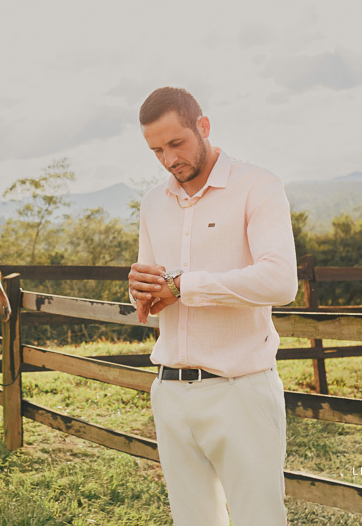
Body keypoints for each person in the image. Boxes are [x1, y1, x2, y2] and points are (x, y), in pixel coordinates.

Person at [127, 87, 298, 525]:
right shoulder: (152, 203)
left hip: (240, 390)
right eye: (156, 150)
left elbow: (280, 281)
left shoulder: (258, 186)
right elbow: (156, 291)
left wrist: (184, 286)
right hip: (169, 392)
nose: (168, 159)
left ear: (203, 127)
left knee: (259, 520)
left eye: (176, 143)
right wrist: (141, 291)